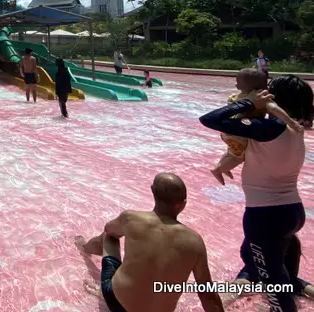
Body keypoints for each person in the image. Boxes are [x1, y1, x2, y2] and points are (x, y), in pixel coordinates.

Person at [199, 77, 312, 310]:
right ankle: (290, 284)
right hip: (292, 211)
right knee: (262, 259)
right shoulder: (295, 128)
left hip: (265, 216)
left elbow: (209, 119)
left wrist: (248, 103)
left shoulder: (266, 129)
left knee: (273, 283)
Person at [77, 173, 223, 312]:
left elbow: (109, 229)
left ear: (152, 191)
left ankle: (86, 248)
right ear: (183, 204)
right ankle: (91, 247)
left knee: (109, 236)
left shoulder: (131, 218)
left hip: (117, 305)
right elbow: (207, 294)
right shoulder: (195, 241)